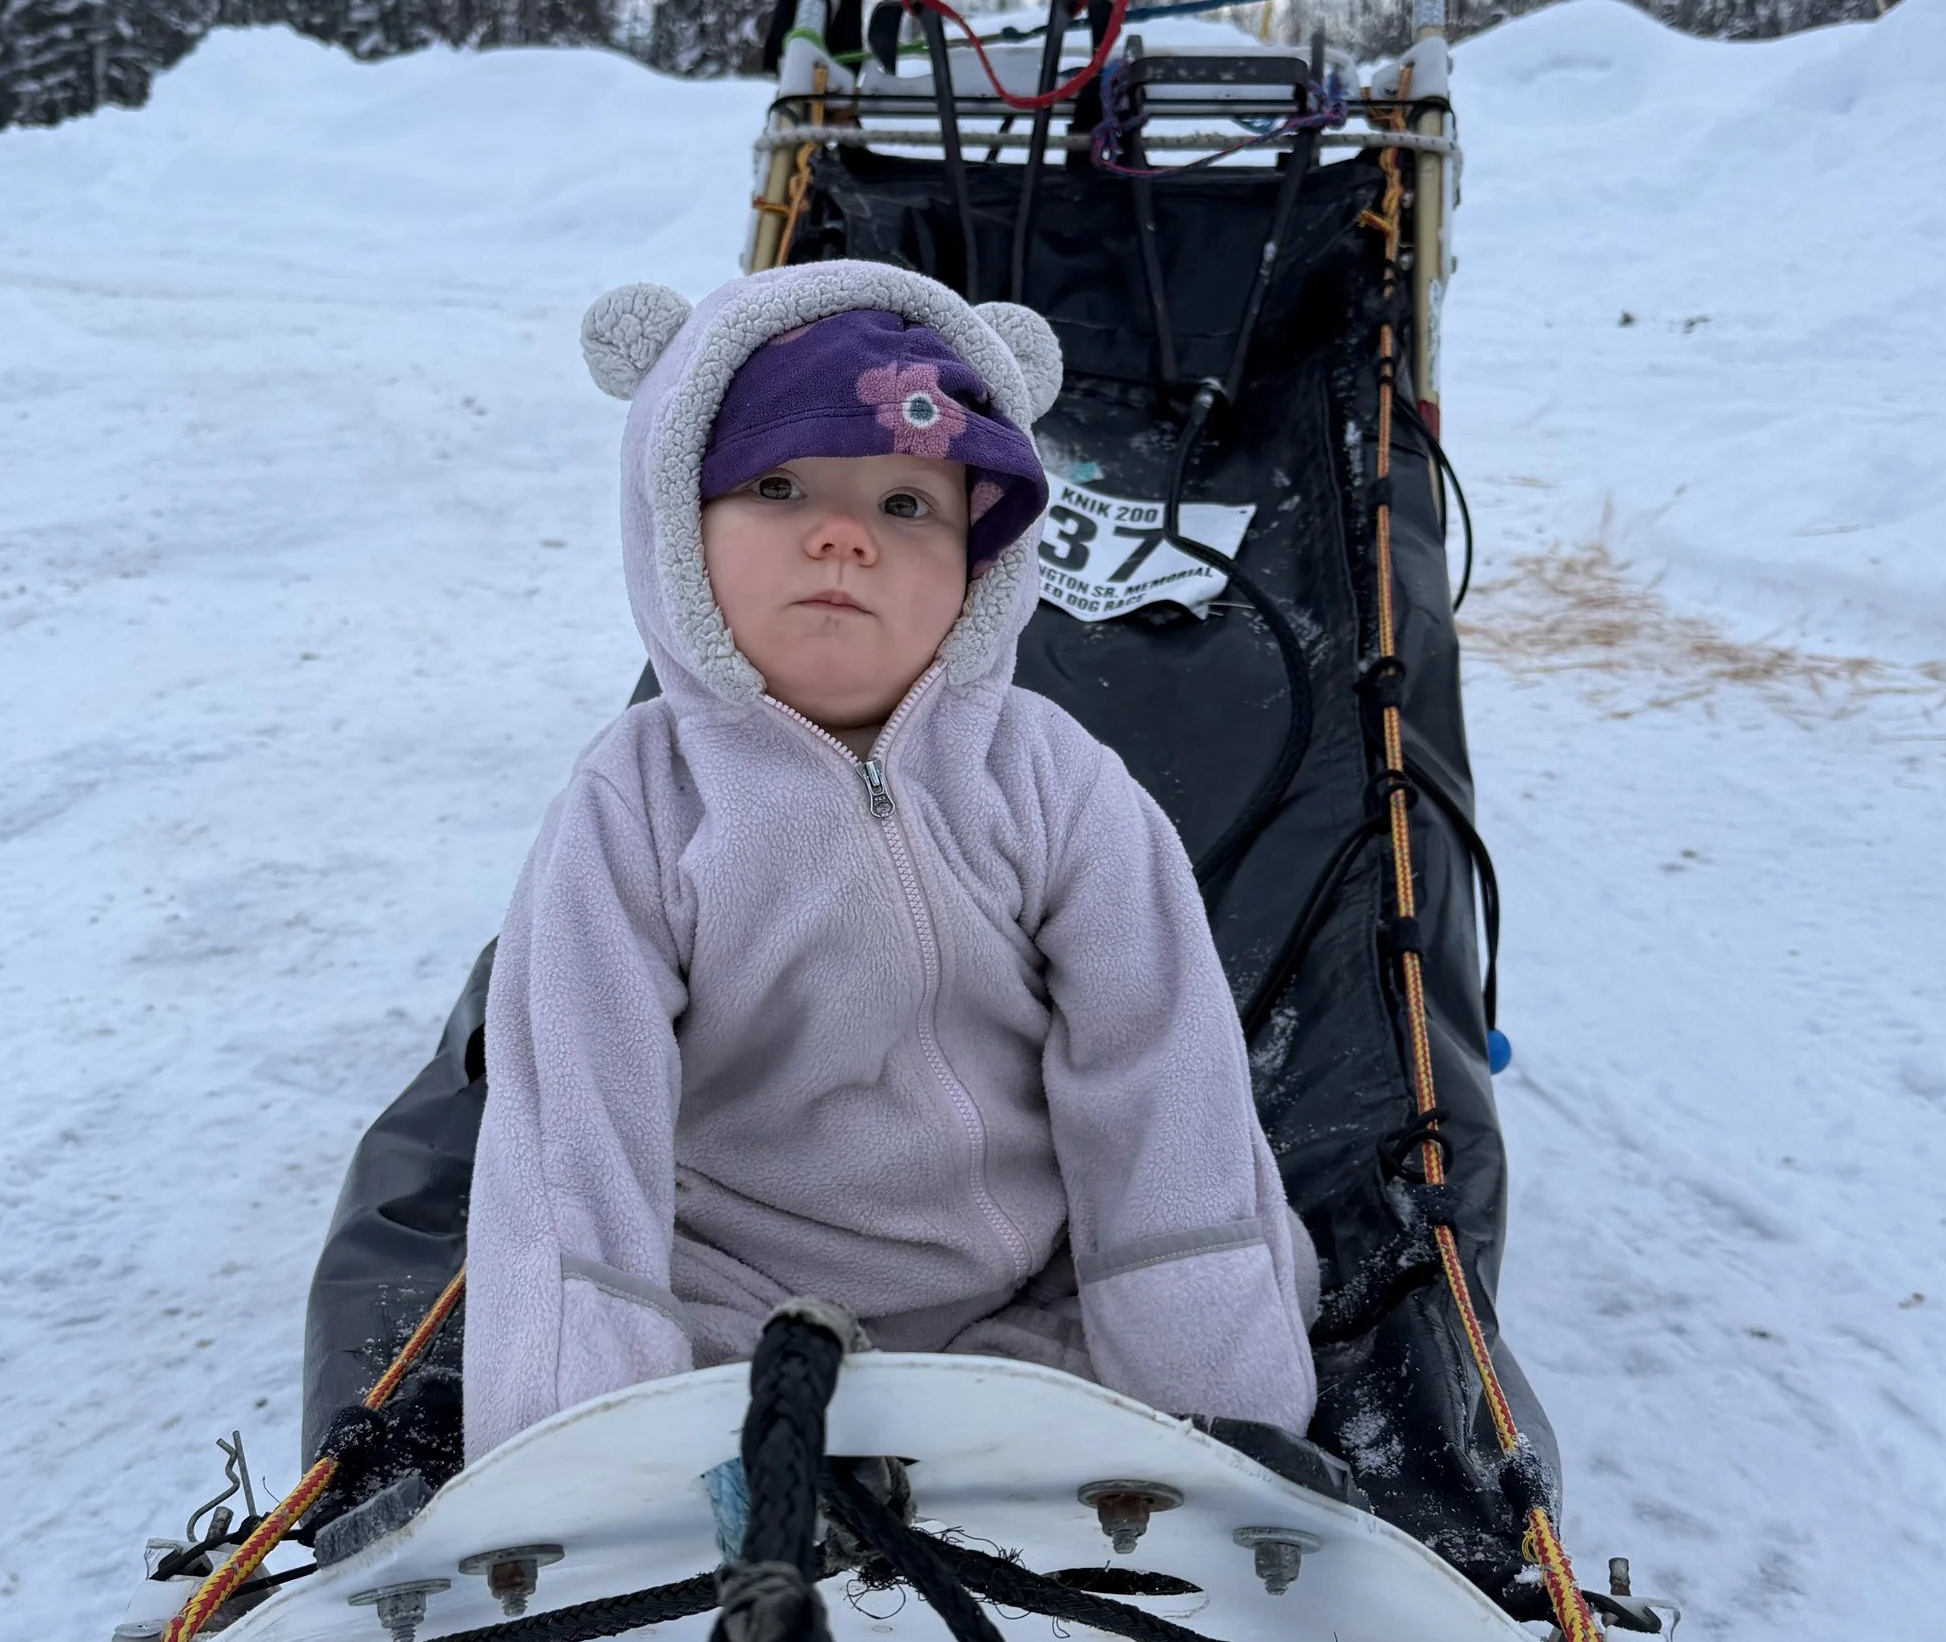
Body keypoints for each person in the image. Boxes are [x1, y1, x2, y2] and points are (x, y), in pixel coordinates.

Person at [462, 259, 1318, 1455]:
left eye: (904, 505)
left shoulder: (1054, 785)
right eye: (775, 484)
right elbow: (574, 1130)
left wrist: (1218, 1405)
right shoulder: (636, 807)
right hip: (734, 1307)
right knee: (670, 1439)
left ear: (986, 552)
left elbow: (1160, 1078)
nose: (839, 537)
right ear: (676, 525)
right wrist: (564, 1451)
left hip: (1028, 1292)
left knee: (1178, 1356)